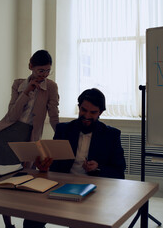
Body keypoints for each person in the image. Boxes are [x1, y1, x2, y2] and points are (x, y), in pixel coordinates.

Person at [23, 88, 126, 228]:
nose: (87, 115)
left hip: (93, 191)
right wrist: (44, 167)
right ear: (79, 107)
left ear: (101, 112)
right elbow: (54, 166)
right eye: (83, 110)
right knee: (31, 218)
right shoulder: (63, 130)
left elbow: (119, 172)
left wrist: (98, 167)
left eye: (93, 112)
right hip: (62, 186)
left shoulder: (111, 135)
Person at [0, 50, 59, 228]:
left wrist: (61, 136)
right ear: (30, 66)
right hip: (5, 137)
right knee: (2, 185)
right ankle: (5, 225)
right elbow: (12, 115)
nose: (44, 75)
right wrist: (26, 92)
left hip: (27, 139)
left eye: (47, 71)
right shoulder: (18, 84)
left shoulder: (51, 87)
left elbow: (54, 116)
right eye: (40, 71)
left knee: (15, 185)